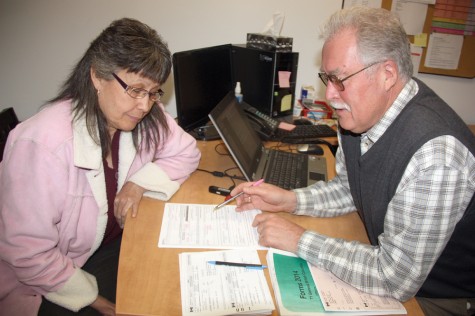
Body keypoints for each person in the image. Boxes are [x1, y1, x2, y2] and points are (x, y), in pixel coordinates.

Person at [232, 7, 475, 316]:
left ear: (387, 74)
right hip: (392, 264)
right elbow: (350, 189)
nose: (330, 95)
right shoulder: (360, 116)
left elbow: (394, 279)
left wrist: (299, 239)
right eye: (327, 78)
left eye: (339, 79)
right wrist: (289, 201)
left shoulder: (435, 156)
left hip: (437, 297)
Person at [0, 18, 201, 316]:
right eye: (135, 90)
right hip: (50, 283)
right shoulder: (41, 145)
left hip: (109, 247)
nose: (145, 106)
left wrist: (139, 183)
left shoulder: (142, 115)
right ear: (97, 76)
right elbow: (28, 254)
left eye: (153, 92)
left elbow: (187, 151)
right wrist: (94, 299)